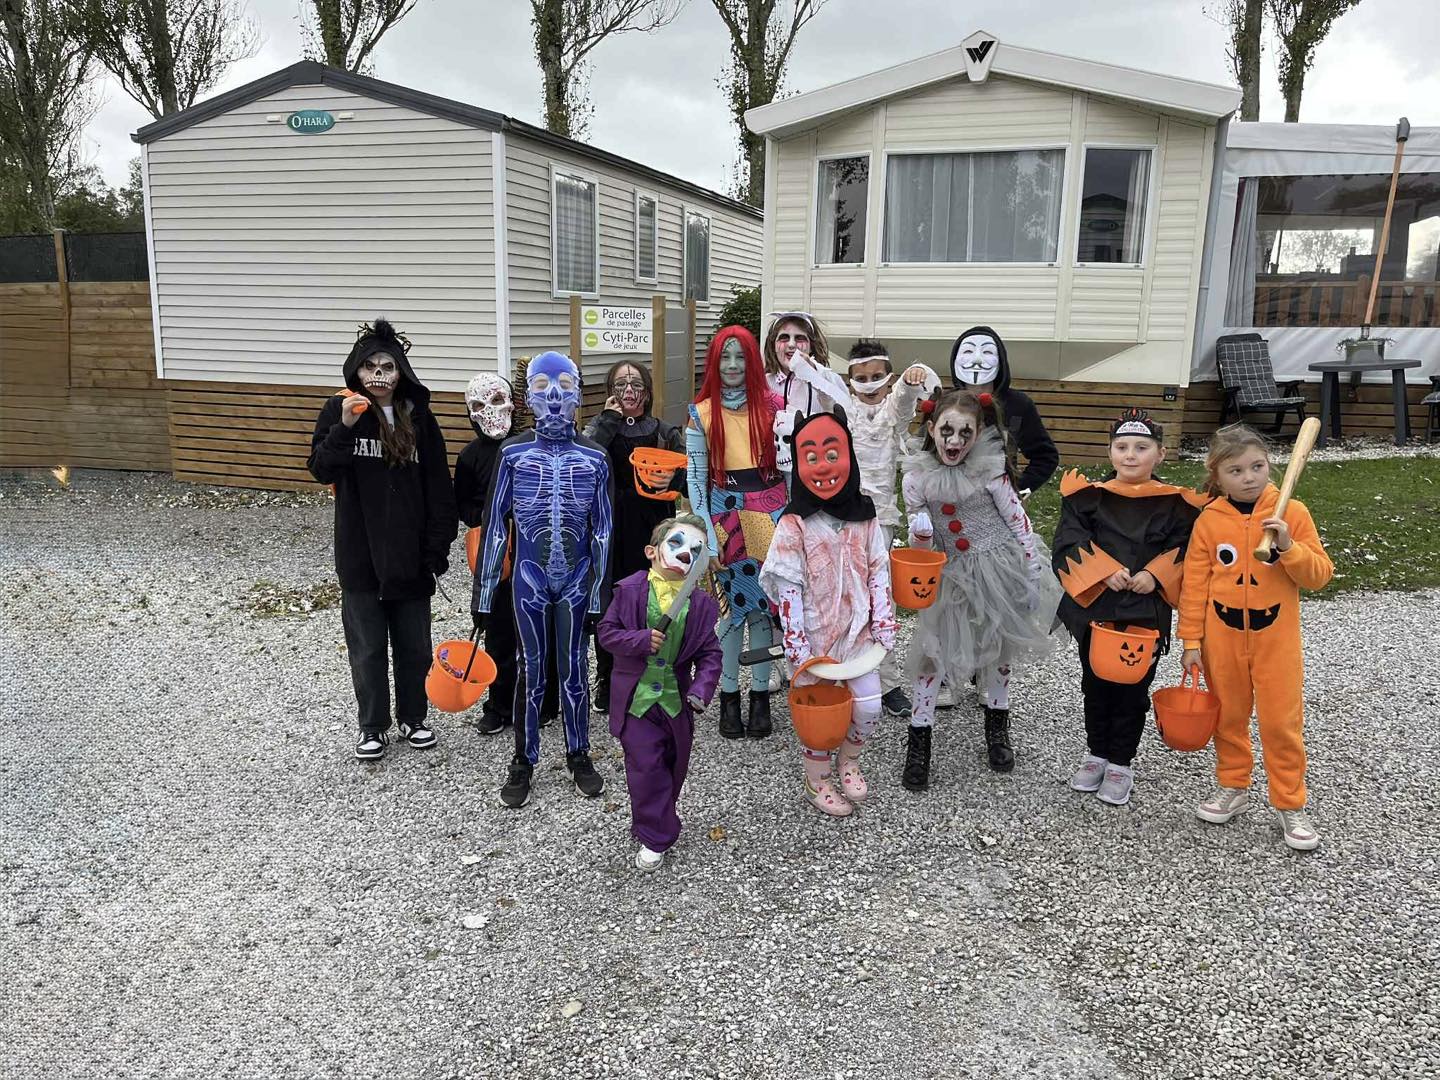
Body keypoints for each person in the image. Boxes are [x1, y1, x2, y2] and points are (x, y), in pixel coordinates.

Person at [307, 318, 457, 761]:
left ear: (401, 372)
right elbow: (320, 468)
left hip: (411, 556)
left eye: (387, 366)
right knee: (368, 647)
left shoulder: (420, 419)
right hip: (360, 555)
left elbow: (438, 489)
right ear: (357, 371)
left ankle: (414, 717)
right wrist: (346, 427)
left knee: (414, 646)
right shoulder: (340, 412)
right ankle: (372, 725)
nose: (379, 374)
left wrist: (436, 548)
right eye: (370, 366)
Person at [1177, 424, 1333, 851]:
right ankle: (1234, 785)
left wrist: (1288, 546)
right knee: (1228, 717)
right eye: (1236, 470)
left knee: (1281, 722)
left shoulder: (1292, 513)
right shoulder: (1209, 521)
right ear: (1217, 476)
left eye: (1257, 466)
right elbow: (1195, 583)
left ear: (1271, 465)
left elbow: (1319, 576)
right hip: (1221, 639)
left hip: (1275, 641)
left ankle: (1289, 802)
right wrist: (1191, 641)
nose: (1249, 477)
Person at [899, 387, 1061, 790]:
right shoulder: (917, 477)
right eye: (947, 431)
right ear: (932, 427)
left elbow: (1019, 523)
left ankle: (997, 725)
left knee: (997, 649)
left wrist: (1029, 572)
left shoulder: (989, 469)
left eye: (965, 434)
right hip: (951, 573)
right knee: (932, 652)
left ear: (979, 432)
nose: (954, 442)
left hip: (997, 568)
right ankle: (919, 739)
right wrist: (919, 536)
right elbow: (922, 542)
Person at [473, 351, 613, 808]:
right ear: (527, 397)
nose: (553, 396)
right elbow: (495, 522)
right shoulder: (513, 453)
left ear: (578, 395)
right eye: (541, 387)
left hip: (574, 578)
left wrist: (597, 594)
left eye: (564, 386)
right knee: (529, 669)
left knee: (573, 668)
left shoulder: (595, 457)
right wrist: (485, 589)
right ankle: (524, 758)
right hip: (530, 578)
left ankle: (578, 753)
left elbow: (603, 529)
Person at [1052, 409, 1208, 806]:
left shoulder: (1177, 505)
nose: (1130, 456)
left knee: (1134, 688)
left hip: (1144, 612)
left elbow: (1188, 548)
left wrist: (1156, 574)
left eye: (1141, 448)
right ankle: (1096, 752)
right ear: (1110, 452)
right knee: (1095, 683)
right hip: (1098, 608)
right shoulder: (1088, 499)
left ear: (1160, 453)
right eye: (1121, 447)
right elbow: (1069, 542)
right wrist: (1103, 572)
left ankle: (1121, 760)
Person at [760, 408, 898, 817]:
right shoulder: (792, 525)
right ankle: (816, 778)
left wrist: (884, 620)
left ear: (849, 456)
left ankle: (850, 759)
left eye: (832, 453)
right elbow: (788, 588)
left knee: (869, 705)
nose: (823, 466)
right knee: (819, 719)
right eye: (811, 456)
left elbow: (879, 570)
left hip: (858, 638)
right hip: (815, 642)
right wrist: (797, 645)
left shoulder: (866, 516)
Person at [597, 515, 723, 872]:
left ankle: (655, 815)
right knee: (646, 767)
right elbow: (606, 633)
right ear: (651, 551)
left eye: (696, 551)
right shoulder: (630, 591)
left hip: (675, 703)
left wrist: (702, 688)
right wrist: (638, 640)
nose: (686, 553)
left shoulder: (699, 606)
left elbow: (710, 653)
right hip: (636, 702)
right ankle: (657, 833)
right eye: (677, 543)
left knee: (672, 766)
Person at [686, 327, 787, 740]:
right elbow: (694, 479)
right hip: (724, 516)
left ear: (753, 360)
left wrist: (796, 523)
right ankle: (729, 695)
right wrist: (707, 535)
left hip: (770, 511)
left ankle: (760, 696)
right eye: (724, 357)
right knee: (729, 613)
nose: (731, 366)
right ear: (714, 361)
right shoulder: (702, 413)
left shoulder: (775, 406)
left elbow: (790, 469)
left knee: (763, 611)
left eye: (740, 357)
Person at [845, 339, 941, 720]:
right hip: (844, 519)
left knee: (880, 601)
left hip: (881, 520)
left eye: (876, 377)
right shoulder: (843, 410)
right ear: (850, 381)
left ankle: (887, 682)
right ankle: (849, 673)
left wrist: (912, 379)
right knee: (847, 599)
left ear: (888, 379)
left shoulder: (893, 412)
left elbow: (906, 399)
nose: (869, 384)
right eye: (861, 378)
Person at [583, 360, 686, 712]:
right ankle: (608, 674)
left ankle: (654, 670)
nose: (629, 390)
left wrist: (671, 481)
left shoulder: (664, 431)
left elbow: (688, 475)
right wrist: (608, 421)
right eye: (621, 384)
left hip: (653, 527)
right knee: (610, 600)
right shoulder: (600, 427)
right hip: (610, 527)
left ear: (648, 390)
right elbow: (583, 462)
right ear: (610, 389)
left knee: (653, 597)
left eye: (636, 383)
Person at [947, 326, 1058, 498]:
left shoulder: (1019, 405)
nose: (977, 360)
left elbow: (1045, 456)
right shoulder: (945, 403)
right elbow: (925, 454)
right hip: (952, 501)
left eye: (987, 352)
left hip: (1002, 505)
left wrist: (1018, 489)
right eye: (968, 351)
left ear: (1000, 359)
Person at [763, 312, 853, 479]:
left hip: (817, 469)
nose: (791, 345)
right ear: (773, 345)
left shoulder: (828, 379)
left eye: (799, 338)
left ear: (811, 345)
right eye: (784, 338)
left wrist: (814, 375)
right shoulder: (765, 383)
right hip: (774, 470)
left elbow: (847, 417)